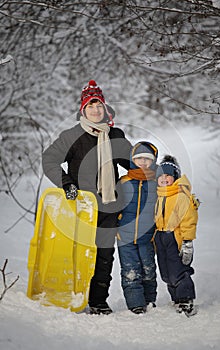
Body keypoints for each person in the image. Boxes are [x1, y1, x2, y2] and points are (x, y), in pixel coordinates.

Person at [42, 80, 132, 315]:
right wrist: (66, 183)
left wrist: (148, 164)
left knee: (104, 255)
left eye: (99, 106)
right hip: (81, 206)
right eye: (91, 106)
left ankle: (98, 301)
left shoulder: (114, 134)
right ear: (83, 109)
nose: (95, 111)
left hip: (109, 204)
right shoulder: (71, 135)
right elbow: (49, 159)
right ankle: (73, 296)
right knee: (79, 253)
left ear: (105, 109)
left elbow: (132, 163)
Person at [154, 155, 198, 316]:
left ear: (175, 177)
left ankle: (186, 299)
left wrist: (187, 242)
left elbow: (189, 220)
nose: (164, 179)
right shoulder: (159, 195)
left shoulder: (181, 195)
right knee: (165, 272)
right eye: (161, 176)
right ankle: (176, 298)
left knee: (178, 269)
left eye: (168, 175)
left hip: (175, 237)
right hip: (161, 237)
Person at [117, 141, 158, 314]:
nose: (142, 162)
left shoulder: (157, 182)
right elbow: (113, 204)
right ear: (132, 160)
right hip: (125, 237)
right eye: (139, 158)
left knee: (148, 270)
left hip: (148, 237)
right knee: (130, 271)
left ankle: (149, 301)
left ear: (153, 161)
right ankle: (136, 304)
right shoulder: (124, 181)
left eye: (147, 159)